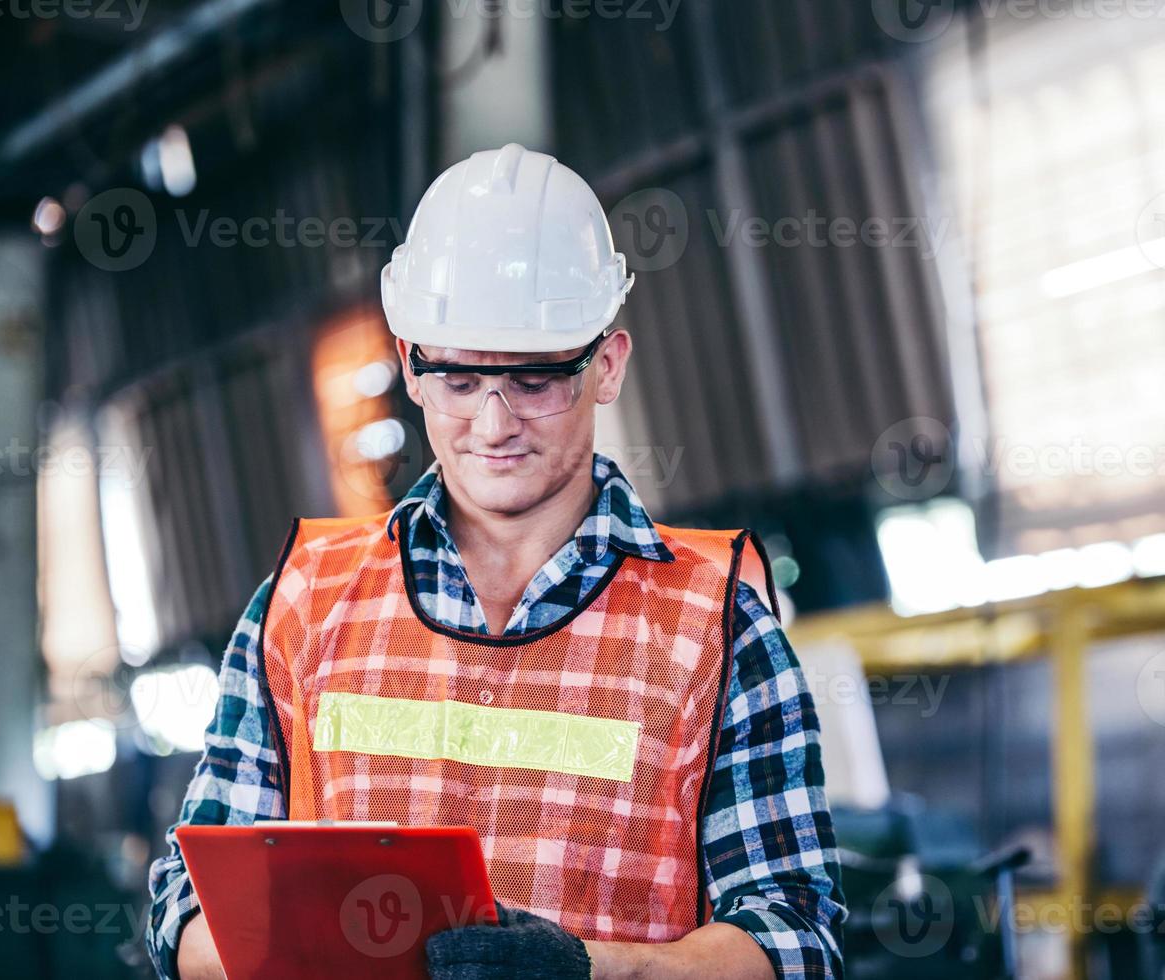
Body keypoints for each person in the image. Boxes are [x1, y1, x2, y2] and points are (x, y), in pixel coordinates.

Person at [145, 143, 846, 980]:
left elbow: (795, 934)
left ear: (607, 364)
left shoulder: (717, 627)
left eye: (535, 378)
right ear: (410, 364)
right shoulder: (300, 607)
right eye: (459, 378)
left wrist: (588, 970)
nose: (494, 422)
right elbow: (185, 911)